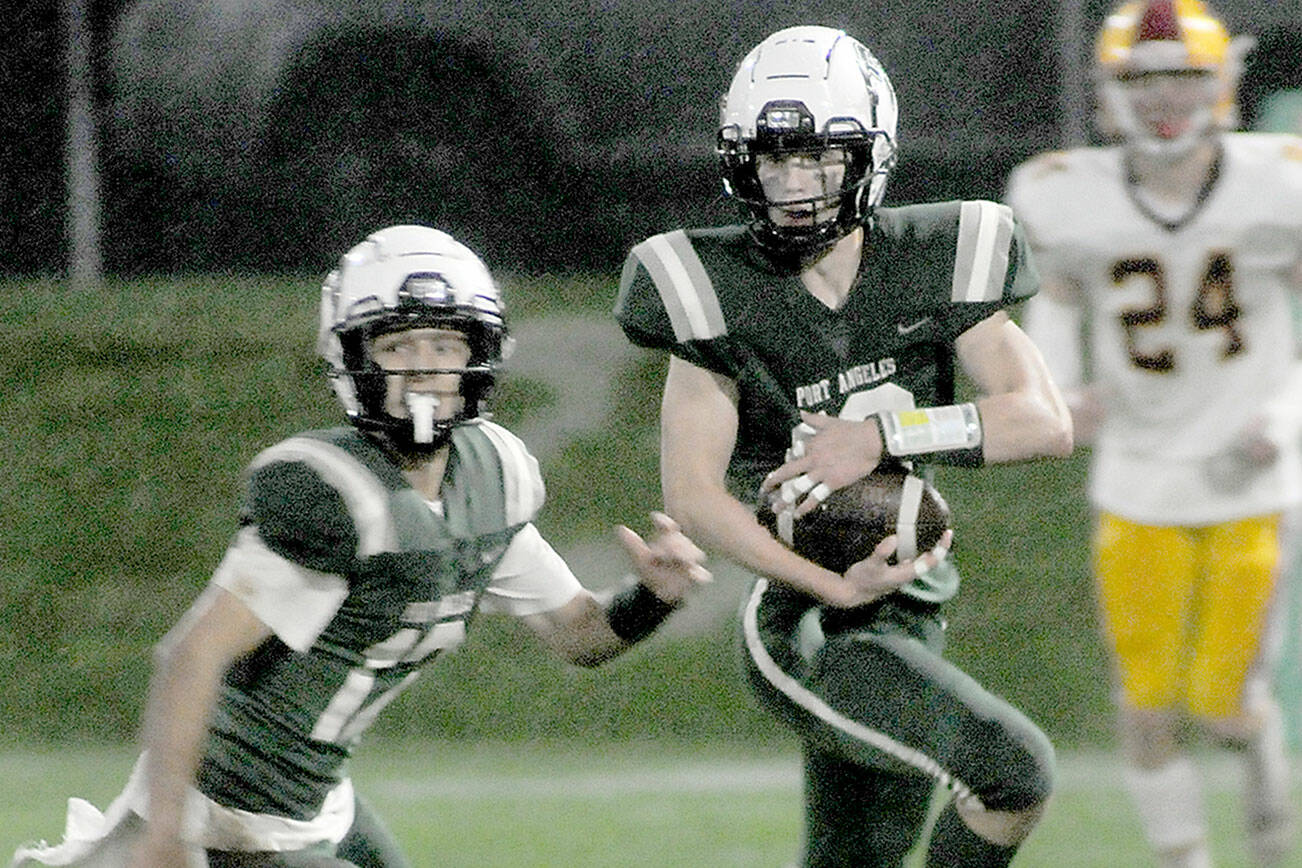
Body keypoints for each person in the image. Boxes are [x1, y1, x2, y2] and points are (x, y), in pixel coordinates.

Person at [11, 224, 710, 868]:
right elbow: (191, 657)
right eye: (397, 347)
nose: (423, 369)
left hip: (318, 801)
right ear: (354, 360)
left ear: (480, 356)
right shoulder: (333, 495)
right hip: (227, 816)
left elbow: (579, 634)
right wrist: (165, 836)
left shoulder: (492, 478)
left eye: (445, 346)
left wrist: (652, 599)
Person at [614, 24, 1073, 868]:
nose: (794, 185)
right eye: (772, 160)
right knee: (1012, 774)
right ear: (741, 163)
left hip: (908, 606)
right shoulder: (704, 289)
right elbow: (694, 496)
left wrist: (885, 436)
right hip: (807, 622)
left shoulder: (939, 257)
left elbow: (1043, 421)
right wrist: (833, 584)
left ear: (869, 156)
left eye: (820, 159)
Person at [1004, 1, 1302, 865]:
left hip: (1248, 476)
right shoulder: (1063, 192)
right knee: (1144, 698)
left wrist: (1287, 416)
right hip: (1136, 473)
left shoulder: (1278, 181)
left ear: (1224, 85)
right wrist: (1058, 390)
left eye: (1183, 78)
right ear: (1107, 94)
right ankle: (1185, 858)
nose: (1163, 99)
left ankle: (1259, 752)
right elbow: (1057, 297)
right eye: (1142, 80)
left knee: (1221, 702)